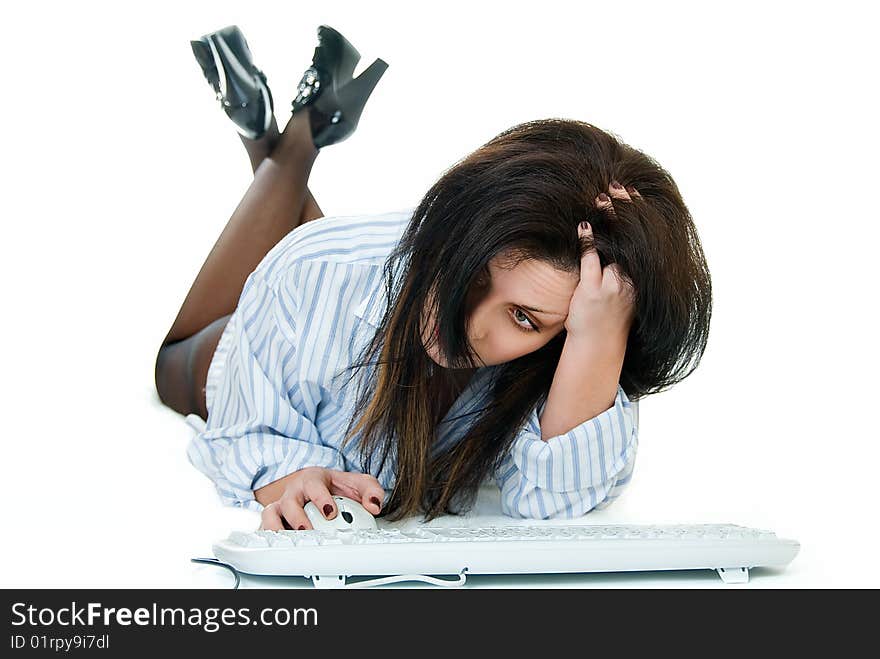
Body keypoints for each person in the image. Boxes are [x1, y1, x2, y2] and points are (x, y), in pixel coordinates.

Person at [155, 25, 712, 531]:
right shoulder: (311, 273)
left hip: (342, 287)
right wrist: (291, 481)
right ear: (452, 231)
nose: (465, 325)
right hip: (244, 346)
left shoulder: (585, 327)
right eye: (470, 275)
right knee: (172, 364)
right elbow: (242, 434)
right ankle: (295, 139)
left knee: (333, 275)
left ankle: (295, 126)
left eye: (523, 317)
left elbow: (555, 504)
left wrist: (600, 337)